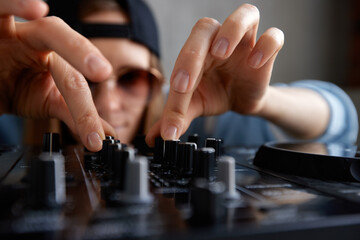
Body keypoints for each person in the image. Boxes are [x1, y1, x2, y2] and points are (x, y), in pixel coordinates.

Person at [0, 0, 357, 152]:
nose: (108, 103)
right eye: (85, 79)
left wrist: (262, 102)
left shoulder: (193, 117)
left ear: (158, 83)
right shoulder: (12, 117)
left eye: (133, 79)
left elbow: (340, 123)